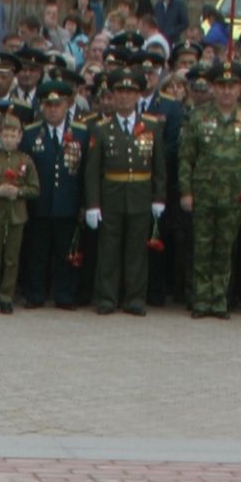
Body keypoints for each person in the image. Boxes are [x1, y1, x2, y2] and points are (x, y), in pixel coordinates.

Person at [179, 60, 241, 319]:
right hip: (203, 194)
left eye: (232, 86)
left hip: (233, 196)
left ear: (240, 89)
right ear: (213, 88)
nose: (227, 91)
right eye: (221, 86)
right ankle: (201, 300)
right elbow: (186, 158)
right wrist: (186, 192)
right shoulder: (199, 116)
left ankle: (219, 300)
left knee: (225, 249)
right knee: (202, 248)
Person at [82, 69, 161, 315]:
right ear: (113, 96)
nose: (125, 97)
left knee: (137, 250)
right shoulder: (101, 128)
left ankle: (135, 298)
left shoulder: (151, 126)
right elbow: (93, 170)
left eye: (130, 92)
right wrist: (93, 204)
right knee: (109, 249)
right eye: (120, 92)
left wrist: (159, 197)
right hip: (112, 195)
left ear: (138, 96)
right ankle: (107, 297)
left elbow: (159, 166)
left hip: (140, 194)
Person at [19, 78, 86, 307]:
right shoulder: (30, 134)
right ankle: (35, 294)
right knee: (37, 252)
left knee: (65, 254)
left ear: (67, 105)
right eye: (49, 105)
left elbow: (85, 172)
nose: (53, 110)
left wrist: (84, 204)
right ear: (42, 107)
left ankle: (64, 295)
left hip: (68, 204)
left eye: (58, 105)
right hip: (39, 203)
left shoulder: (80, 133)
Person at [0, 109, 37, 311]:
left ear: (20, 137)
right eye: (5, 135)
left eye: (13, 135)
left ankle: (6, 296)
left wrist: (18, 192)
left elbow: (35, 189)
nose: (9, 139)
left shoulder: (25, 161)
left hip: (17, 214)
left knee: (11, 257)